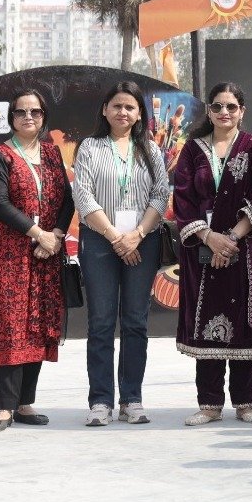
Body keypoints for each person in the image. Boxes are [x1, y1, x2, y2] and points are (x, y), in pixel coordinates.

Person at [174, 82, 252, 425]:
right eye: (217, 106)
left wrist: (232, 237)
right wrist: (209, 237)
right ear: (208, 111)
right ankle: (209, 404)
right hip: (202, 252)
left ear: (242, 111)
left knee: (243, 324)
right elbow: (183, 200)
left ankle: (243, 402)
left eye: (231, 107)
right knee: (207, 325)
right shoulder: (192, 150)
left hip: (246, 252)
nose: (224, 112)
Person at [72, 81, 170, 427]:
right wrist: (116, 238)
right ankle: (100, 401)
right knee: (100, 322)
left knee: (135, 322)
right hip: (101, 240)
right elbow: (83, 196)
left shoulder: (151, 150)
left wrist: (137, 234)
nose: (123, 112)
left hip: (143, 239)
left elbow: (161, 194)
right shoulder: (90, 147)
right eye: (116, 106)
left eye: (130, 107)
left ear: (139, 114)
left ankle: (131, 399)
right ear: (105, 110)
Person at [0, 90, 74, 433]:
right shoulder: (1, 154)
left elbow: (67, 200)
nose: (28, 117)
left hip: (46, 253)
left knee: (38, 324)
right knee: (11, 325)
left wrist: (55, 236)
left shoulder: (51, 153)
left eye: (35, 112)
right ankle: (5, 407)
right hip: (11, 254)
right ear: (12, 118)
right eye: (21, 112)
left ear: (43, 116)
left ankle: (25, 403)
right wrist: (38, 234)